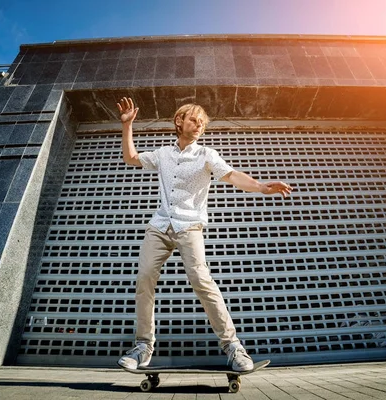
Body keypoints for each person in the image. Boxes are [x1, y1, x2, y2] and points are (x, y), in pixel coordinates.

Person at [116, 97, 292, 372]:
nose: (199, 126)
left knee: (201, 280)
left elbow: (232, 175)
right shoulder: (163, 154)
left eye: (202, 123)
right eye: (194, 120)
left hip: (190, 227)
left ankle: (234, 348)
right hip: (160, 226)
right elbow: (131, 158)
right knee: (145, 277)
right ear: (179, 122)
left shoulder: (207, 155)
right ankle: (142, 347)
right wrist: (127, 126)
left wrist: (260, 186)